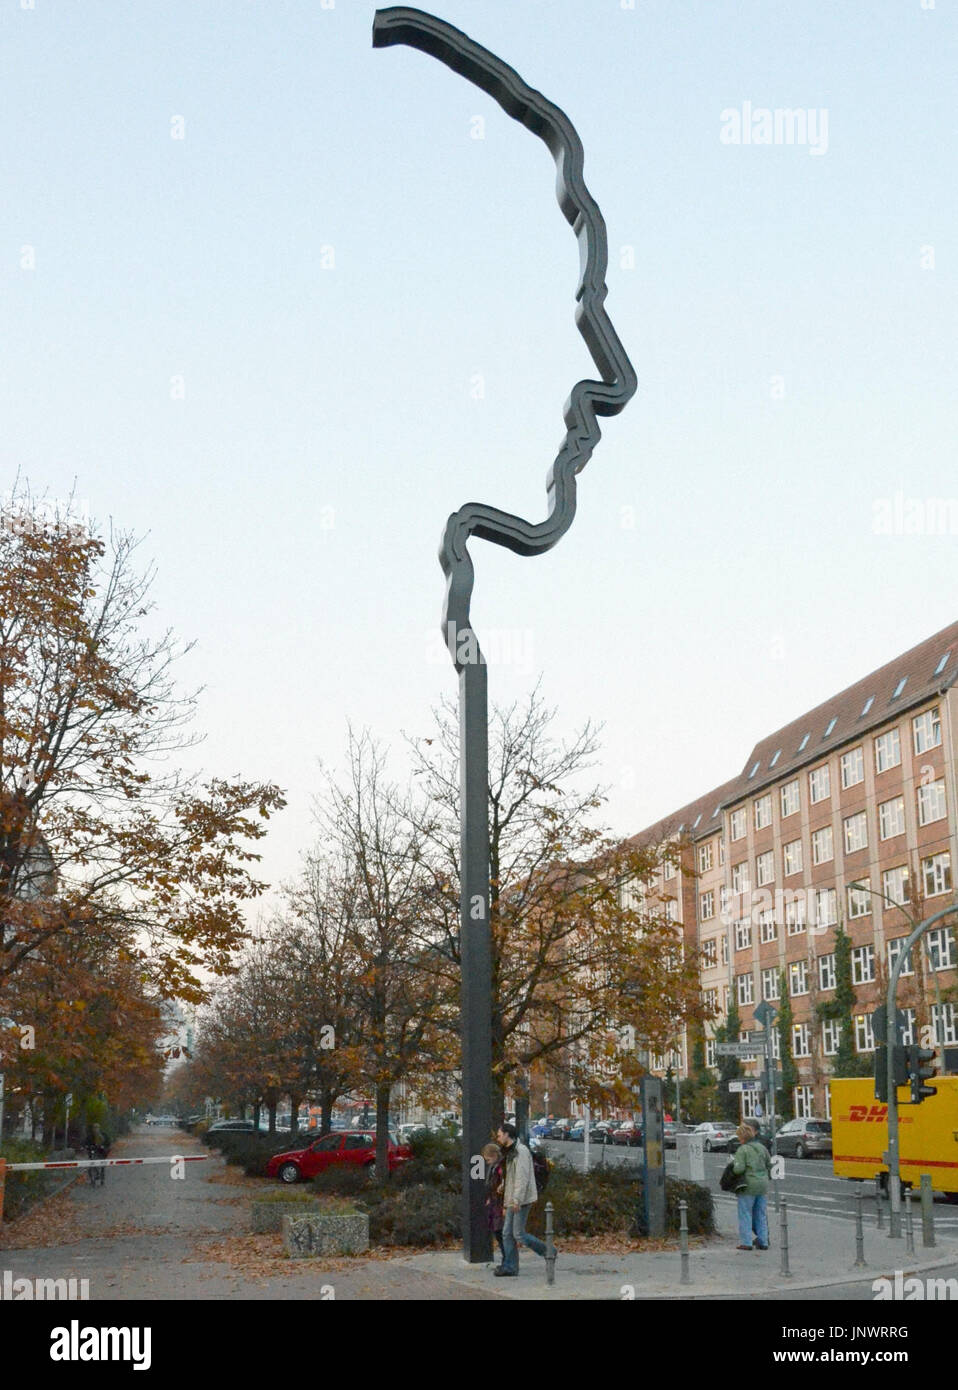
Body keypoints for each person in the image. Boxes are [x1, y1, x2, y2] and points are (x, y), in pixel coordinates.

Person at [495, 1121, 549, 1277]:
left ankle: (548, 1251)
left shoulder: (521, 1151)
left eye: (499, 1135)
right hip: (513, 1197)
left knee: (518, 1234)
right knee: (507, 1233)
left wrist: (517, 1200)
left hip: (521, 1199)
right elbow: (511, 1174)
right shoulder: (510, 1152)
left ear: (506, 1134)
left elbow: (522, 1178)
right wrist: (504, 1186)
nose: (498, 1138)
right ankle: (510, 1266)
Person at [731, 1118, 771, 1250]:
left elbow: (739, 1169)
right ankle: (763, 1241)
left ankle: (746, 1242)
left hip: (748, 1185)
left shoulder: (743, 1150)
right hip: (763, 1185)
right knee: (761, 1214)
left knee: (745, 1213)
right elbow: (769, 1164)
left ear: (743, 1137)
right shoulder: (762, 1148)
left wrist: (733, 1165)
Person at [482, 1142, 505, 1258]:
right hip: (495, 1201)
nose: (487, 1162)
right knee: (498, 1231)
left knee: (500, 1231)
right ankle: (505, 1258)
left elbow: (500, 1184)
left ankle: (507, 1259)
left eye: (488, 1159)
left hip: (499, 1203)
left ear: (495, 1155)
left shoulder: (500, 1168)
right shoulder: (494, 1167)